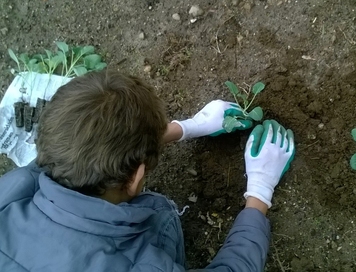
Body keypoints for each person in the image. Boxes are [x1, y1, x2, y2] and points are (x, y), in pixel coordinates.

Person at [0, 70, 295, 271]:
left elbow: (69, 153)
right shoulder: (140, 264)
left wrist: (188, 127)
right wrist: (259, 191)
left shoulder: (12, 191)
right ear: (136, 178)